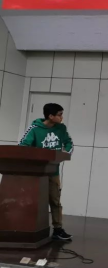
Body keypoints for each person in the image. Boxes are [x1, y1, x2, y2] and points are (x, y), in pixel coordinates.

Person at [19, 103, 74, 241]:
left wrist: (64, 153)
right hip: (36, 174)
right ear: (50, 116)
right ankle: (27, 229)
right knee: (32, 201)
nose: (62, 117)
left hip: (53, 172)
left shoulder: (61, 128)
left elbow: (69, 143)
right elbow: (22, 146)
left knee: (55, 201)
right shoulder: (34, 129)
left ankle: (58, 230)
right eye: (59, 115)